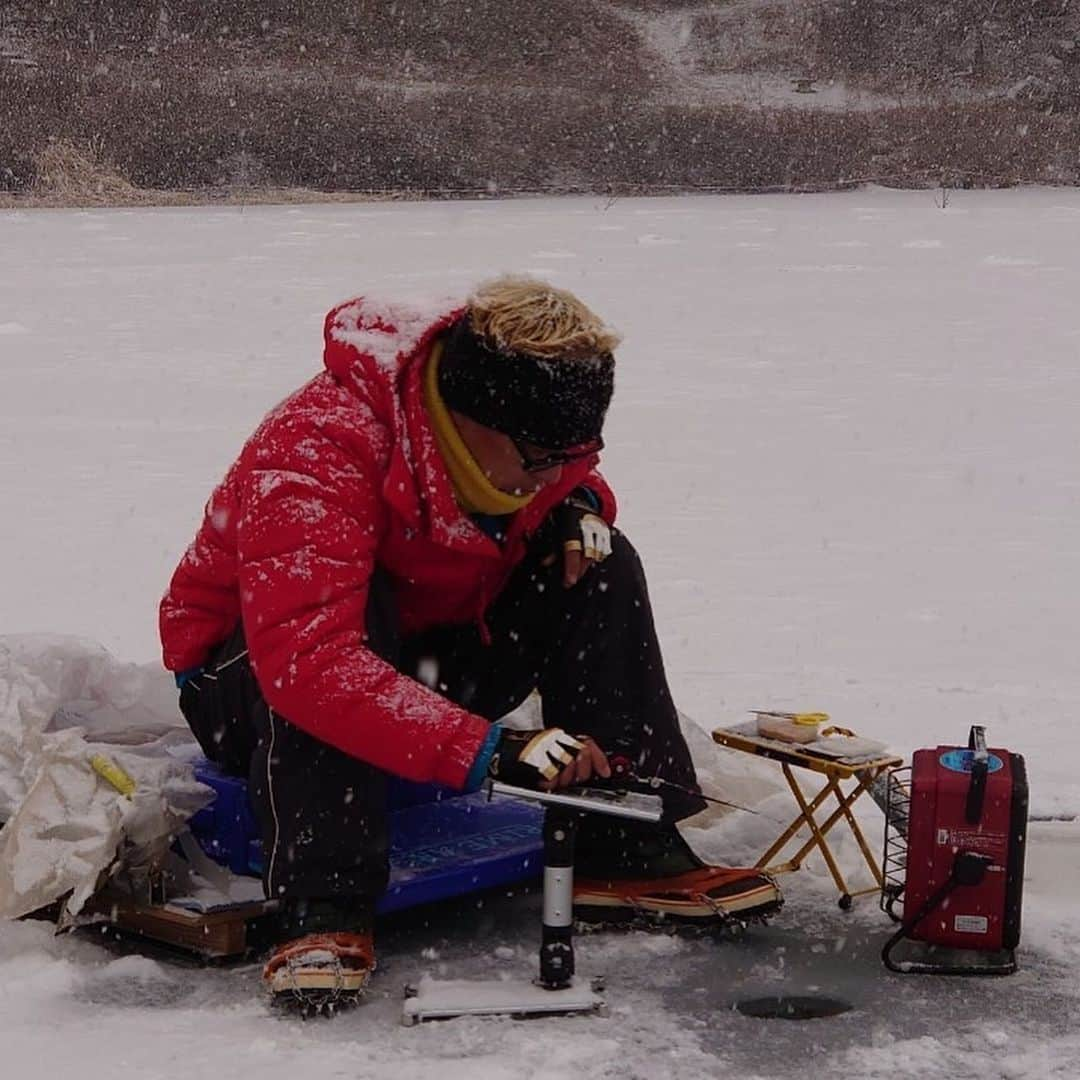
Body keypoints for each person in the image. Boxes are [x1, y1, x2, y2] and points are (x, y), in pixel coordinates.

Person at [160, 276, 779, 1003]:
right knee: (361, 616)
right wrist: (490, 751)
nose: (551, 473)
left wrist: (579, 506)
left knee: (603, 560)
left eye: (569, 456)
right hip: (250, 685)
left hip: (429, 652)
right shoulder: (317, 445)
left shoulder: (528, 444)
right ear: (461, 417)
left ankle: (623, 838)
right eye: (539, 457)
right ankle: (322, 900)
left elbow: (568, 472)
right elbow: (309, 660)